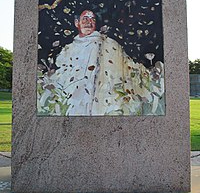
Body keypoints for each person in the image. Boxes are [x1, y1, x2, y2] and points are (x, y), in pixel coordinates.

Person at [37, 10, 165, 116]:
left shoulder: (109, 43)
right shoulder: (68, 49)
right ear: (77, 23)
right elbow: (61, 73)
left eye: (92, 19)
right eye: (85, 19)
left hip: (103, 100)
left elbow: (127, 65)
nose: (88, 22)